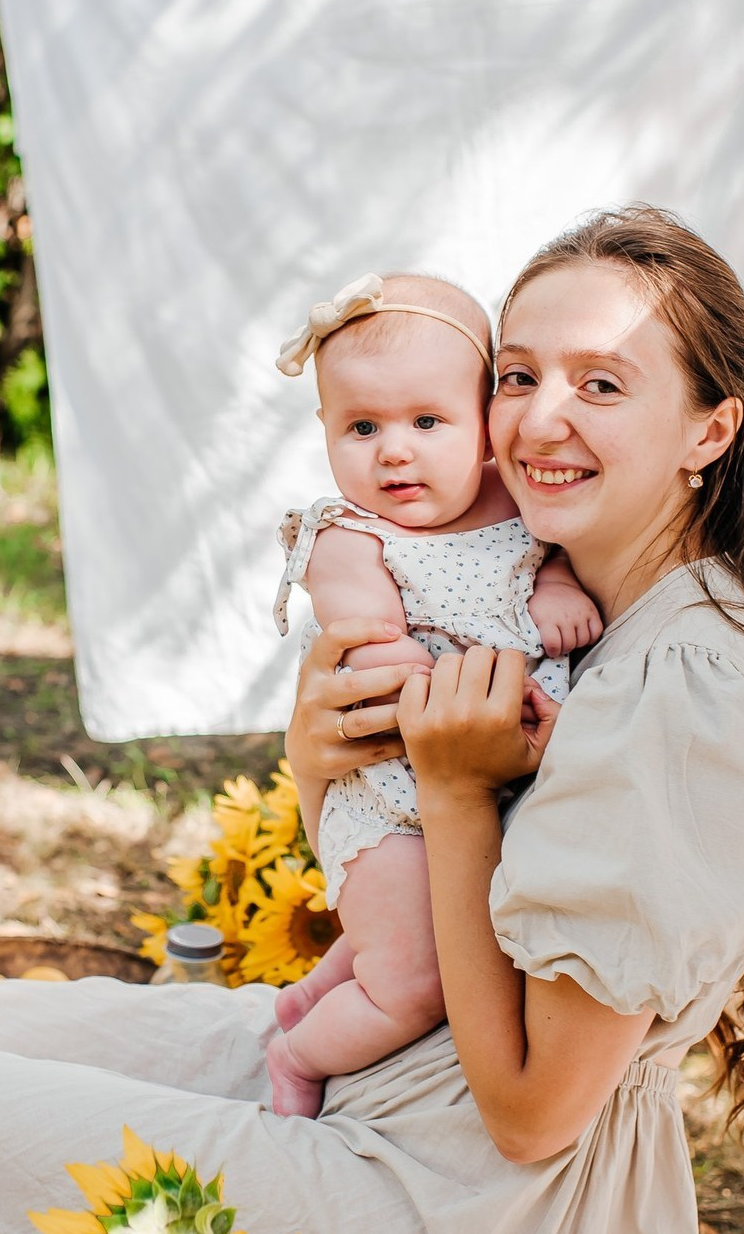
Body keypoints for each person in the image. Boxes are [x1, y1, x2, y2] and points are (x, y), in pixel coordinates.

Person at [0, 205, 744, 1234]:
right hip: (413, 1059)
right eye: (517, 375)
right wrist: (316, 761)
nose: (537, 422)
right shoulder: (570, 597)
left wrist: (453, 790)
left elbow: (533, 1115)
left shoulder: (686, 684)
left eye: (602, 384)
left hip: (471, 1181)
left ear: (710, 429)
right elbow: (387, 869)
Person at [268, 271, 600, 1116]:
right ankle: (298, 1057)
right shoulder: (346, 536)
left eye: (426, 421)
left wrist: (556, 585)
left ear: (486, 424)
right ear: (325, 428)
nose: (394, 451)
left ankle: (314, 997)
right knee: (418, 979)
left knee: (420, 932)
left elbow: (543, 558)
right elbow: (376, 647)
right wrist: (444, 678)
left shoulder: (515, 500)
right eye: (362, 426)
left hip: (484, 775)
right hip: (391, 796)